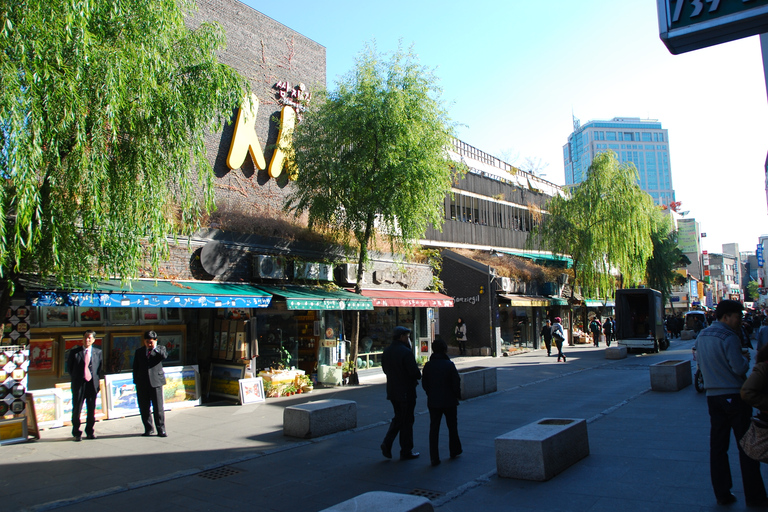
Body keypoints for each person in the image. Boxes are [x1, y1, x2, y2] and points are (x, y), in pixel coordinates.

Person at [695, 300, 767, 507]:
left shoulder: (703, 335)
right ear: (726, 316)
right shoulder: (729, 336)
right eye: (737, 316)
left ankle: (722, 494)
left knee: (718, 447)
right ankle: (755, 496)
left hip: (713, 397)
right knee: (746, 446)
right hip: (734, 396)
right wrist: (744, 358)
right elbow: (738, 368)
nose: (740, 320)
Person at [381, 326, 421, 460]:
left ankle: (390, 444)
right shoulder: (406, 352)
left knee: (399, 417)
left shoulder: (387, 351)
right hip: (406, 391)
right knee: (406, 420)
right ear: (401, 337)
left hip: (392, 390)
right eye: (407, 336)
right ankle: (404, 449)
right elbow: (415, 373)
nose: (408, 339)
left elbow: (385, 370)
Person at [421, 338, 462, 467]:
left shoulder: (428, 365)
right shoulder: (449, 365)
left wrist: (430, 393)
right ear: (445, 349)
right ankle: (454, 450)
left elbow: (425, 384)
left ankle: (434, 457)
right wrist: (457, 395)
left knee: (434, 429)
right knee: (452, 427)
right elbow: (456, 382)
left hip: (434, 401)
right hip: (449, 401)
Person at [68, 330, 103, 441]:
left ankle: (90, 431)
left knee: (91, 408)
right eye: (85, 338)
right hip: (79, 384)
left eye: (89, 338)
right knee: (77, 408)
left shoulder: (98, 352)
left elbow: (99, 369)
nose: (87, 340)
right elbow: (70, 368)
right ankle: (76, 432)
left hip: (91, 384)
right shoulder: (75, 352)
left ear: (93, 340)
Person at [133, 330, 168, 437]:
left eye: (151, 341)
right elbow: (135, 367)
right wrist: (136, 381)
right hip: (142, 383)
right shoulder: (139, 351)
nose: (149, 343)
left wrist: (155, 347)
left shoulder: (160, 349)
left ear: (155, 341)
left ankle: (161, 429)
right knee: (144, 407)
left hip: (156, 382)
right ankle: (148, 428)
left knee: (158, 408)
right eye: (147, 341)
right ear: (144, 341)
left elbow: (164, 356)